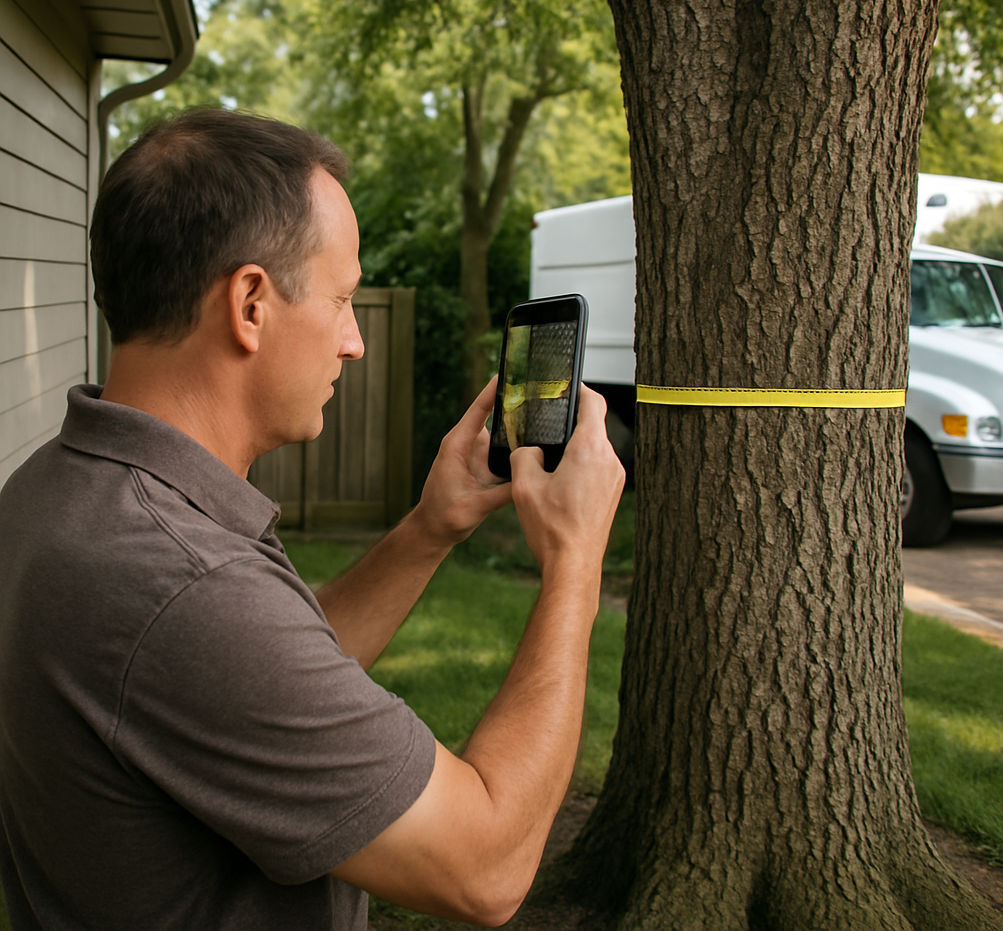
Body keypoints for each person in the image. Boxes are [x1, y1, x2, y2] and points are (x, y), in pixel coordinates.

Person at [0, 108, 624, 931]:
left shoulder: (54, 486)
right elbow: (487, 866)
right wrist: (576, 564)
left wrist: (429, 529)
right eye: (341, 299)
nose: (355, 341)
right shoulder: (184, 584)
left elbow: (262, 666)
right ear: (251, 304)